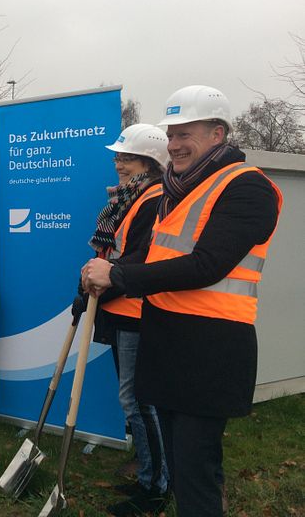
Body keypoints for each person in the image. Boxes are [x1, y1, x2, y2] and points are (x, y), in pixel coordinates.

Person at [82, 86, 282, 517]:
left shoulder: (248, 188)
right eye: (170, 134)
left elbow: (207, 265)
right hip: (166, 340)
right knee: (182, 464)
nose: (173, 144)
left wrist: (117, 275)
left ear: (217, 133)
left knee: (195, 473)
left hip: (211, 351)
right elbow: (156, 257)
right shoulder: (178, 189)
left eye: (184, 133)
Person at [77, 124, 171, 516]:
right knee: (132, 400)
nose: (118, 164)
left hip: (135, 310)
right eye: (117, 157)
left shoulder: (153, 200)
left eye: (125, 157)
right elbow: (111, 251)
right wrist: (86, 286)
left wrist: (102, 281)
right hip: (117, 306)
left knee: (138, 402)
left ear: (148, 162)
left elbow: (139, 259)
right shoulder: (126, 199)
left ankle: (157, 486)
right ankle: (147, 474)